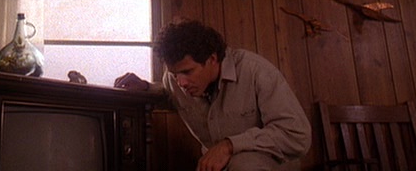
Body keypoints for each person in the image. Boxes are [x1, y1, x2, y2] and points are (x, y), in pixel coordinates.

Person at [114, 19, 311, 171]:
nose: (181, 83)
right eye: (175, 74)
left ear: (212, 59)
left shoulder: (257, 72)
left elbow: (297, 135)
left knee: (244, 164)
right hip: (217, 167)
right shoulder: (174, 81)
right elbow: (168, 95)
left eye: (188, 72)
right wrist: (145, 87)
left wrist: (229, 146)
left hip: (269, 165)